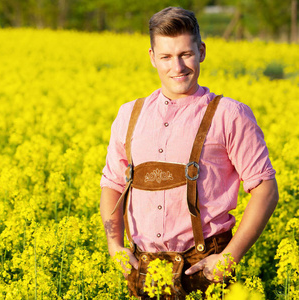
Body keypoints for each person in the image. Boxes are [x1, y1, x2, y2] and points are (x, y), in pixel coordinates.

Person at [99, 6, 279, 299]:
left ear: (202, 51)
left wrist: (229, 259)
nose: (177, 67)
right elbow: (113, 184)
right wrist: (114, 245)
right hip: (142, 270)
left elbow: (266, 190)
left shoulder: (230, 115)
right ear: (152, 58)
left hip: (205, 268)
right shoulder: (128, 114)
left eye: (186, 54)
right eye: (166, 57)